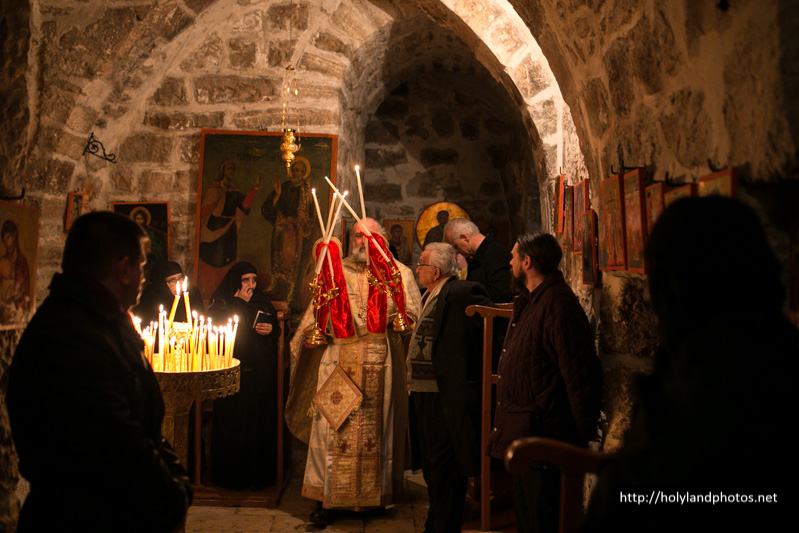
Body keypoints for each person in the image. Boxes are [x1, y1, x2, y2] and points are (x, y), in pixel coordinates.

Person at [583, 197, 792, 531]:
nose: (649, 297)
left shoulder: (697, 398)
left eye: (656, 281)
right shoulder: (778, 356)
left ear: (677, 289)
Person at [6, 211, 191, 532]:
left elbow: (142, 424)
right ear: (123, 268)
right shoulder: (72, 336)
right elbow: (118, 447)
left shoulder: (98, 321)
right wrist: (174, 496)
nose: (144, 277)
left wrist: (175, 477)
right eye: (142, 266)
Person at [285, 217, 421, 526]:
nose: (363, 241)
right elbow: (313, 317)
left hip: (378, 363)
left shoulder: (398, 272)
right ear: (350, 240)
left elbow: (411, 314)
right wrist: (309, 336)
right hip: (337, 360)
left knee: (378, 431)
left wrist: (389, 316)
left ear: (381, 240)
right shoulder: (333, 270)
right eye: (358, 236)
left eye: (370, 236)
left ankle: (374, 498)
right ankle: (325, 500)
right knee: (331, 428)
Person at [486, 232, 602, 533]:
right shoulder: (533, 301)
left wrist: (581, 437)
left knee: (543, 521)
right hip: (529, 436)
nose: (509, 261)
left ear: (527, 262)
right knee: (527, 519)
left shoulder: (557, 305)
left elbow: (578, 372)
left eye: (514, 256)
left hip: (546, 438)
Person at [409, 242, 492, 533]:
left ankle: (444, 525)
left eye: (421, 264)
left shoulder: (458, 292)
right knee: (431, 464)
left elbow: (483, 331)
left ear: (436, 270)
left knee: (444, 465)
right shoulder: (428, 294)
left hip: (442, 394)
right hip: (422, 392)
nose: (417, 269)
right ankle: (436, 519)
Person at [207, 261, 281, 489]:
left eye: (254, 280)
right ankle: (228, 479)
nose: (251, 285)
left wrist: (272, 329)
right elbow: (218, 328)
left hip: (256, 376)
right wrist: (239, 303)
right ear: (235, 281)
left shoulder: (260, 300)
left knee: (255, 427)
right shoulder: (223, 302)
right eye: (245, 280)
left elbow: (275, 329)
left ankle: (257, 479)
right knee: (231, 427)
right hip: (230, 375)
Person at [261, 156, 319, 315]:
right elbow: (267, 209)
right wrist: (277, 196)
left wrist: (302, 224)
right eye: (293, 170)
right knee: (279, 266)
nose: (295, 173)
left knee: (294, 268)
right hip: (281, 235)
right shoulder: (283, 187)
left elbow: (313, 217)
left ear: (304, 173)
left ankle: (293, 303)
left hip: (297, 236)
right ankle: (277, 300)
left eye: (298, 170)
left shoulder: (307, 192)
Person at [198, 158, 260, 302]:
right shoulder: (215, 188)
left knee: (227, 260)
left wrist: (255, 188)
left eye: (233, 169)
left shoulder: (235, 190)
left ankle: (228, 295)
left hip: (228, 230)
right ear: (223, 170)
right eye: (228, 168)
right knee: (210, 258)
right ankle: (209, 294)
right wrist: (215, 202)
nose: (230, 172)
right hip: (214, 227)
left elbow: (244, 206)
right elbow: (205, 209)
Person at [444, 218, 513, 303]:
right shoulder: (479, 255)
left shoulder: (496, 253)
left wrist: (465, 291)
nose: (456, 251)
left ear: (465, 237)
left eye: (455, 246)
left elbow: (502, 294)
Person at [133, 260, 204, 326]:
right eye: (172, 280)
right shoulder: (150, 298)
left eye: (180, 278)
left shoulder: (192, 294)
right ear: (162, 284)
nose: (178, 284)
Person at [0, 219, 30, 322]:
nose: (6, 242)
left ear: (14, 236)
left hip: (18, 313)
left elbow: (26, 293)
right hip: (2, 312)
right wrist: (5, 304)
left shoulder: (22, 263)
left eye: (8, 237)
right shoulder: (2, 262)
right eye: (4, 239)